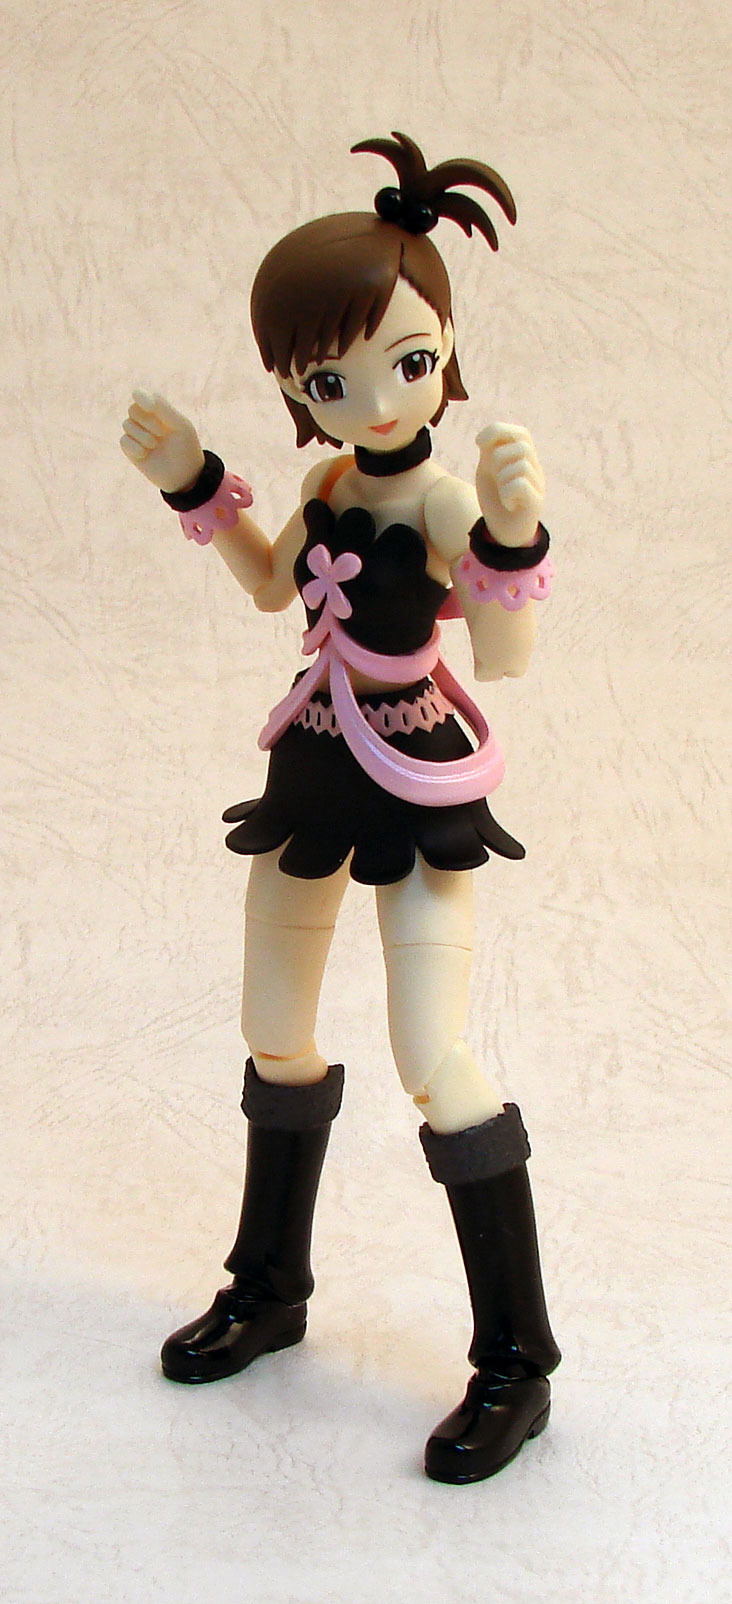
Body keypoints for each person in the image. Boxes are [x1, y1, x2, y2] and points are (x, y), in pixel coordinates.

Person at [120, 131, 560, 1484]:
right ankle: (271, 1284)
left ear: (445, 349)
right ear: (297, 387)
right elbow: (275, 585)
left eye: (407, 362)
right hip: (316, 758)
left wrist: (510, 536)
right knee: (274, 1030)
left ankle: (517, 1359)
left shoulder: (442, 497)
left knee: (436, 1054)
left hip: (414, 769)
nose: (372, 399)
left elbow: (504, 657)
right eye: (330, 379)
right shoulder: (323, 483)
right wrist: (191, 479)